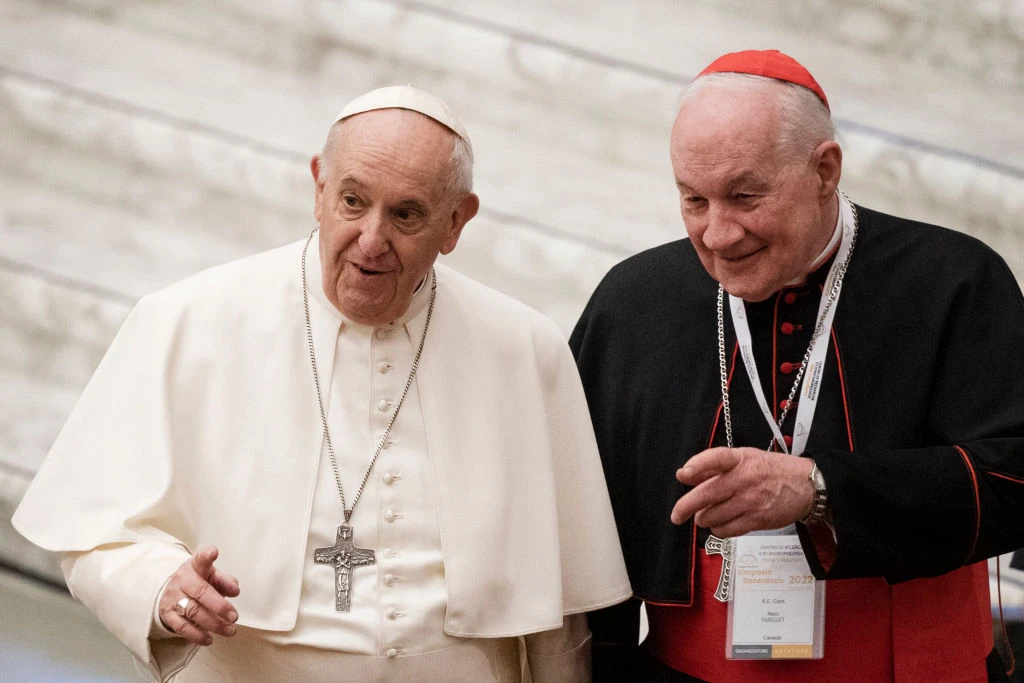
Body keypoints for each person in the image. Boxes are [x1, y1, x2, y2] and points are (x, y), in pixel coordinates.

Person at [13, 85, 631, 682]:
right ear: (318, 187)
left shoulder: (522, 349)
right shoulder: (188, 321)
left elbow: (561, 613)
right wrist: (159, 588)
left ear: (456, 222)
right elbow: (92, 538)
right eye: (353, 201)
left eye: (407, 214)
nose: (370, 241)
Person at [571, 50, 1024, 682]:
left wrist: (818, 489)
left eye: (745, 196)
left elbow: (1016, 479)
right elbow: (581, 513)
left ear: (825, 170)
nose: (719, 234)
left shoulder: (954, 281)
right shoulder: (633, 300)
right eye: (694, 200)